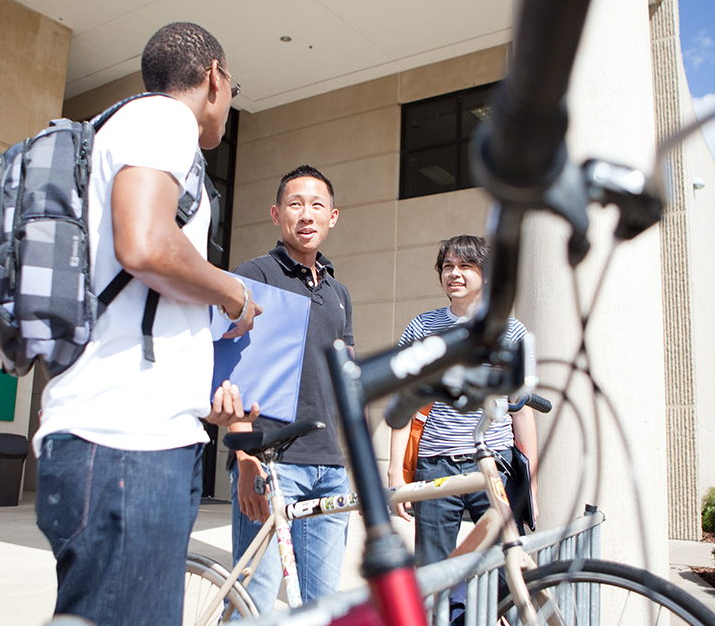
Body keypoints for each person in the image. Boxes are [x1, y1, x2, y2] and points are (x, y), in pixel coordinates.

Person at [32, 22, 262, 626]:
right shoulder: (162, 120)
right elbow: (147, 246)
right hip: (124, 444)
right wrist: (234, 295)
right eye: (233, 86)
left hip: (130, 438)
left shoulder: (131, 128)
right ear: (215, 76)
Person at [227, 165, 354, 614]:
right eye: (296, 204)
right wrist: (244, 458)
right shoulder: (254, 274)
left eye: (317, 205)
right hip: (271, 463)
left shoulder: (339, 291)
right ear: (276, 213)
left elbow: (344, 380)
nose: (307, 214)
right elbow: (230, 368)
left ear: (332, 216)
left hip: (329, 465)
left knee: (322, 604)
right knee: (253, 601)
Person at [387, 234, 539, 569]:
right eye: (447, 266)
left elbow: (522, 411)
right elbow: (404, 403)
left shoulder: (510, 331)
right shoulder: (422, 327)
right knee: (433, 570)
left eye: (465, 266)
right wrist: (395, 472)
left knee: (504, 566)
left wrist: (532, 483)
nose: (454, 273)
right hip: (435, 465)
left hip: (493, 463)